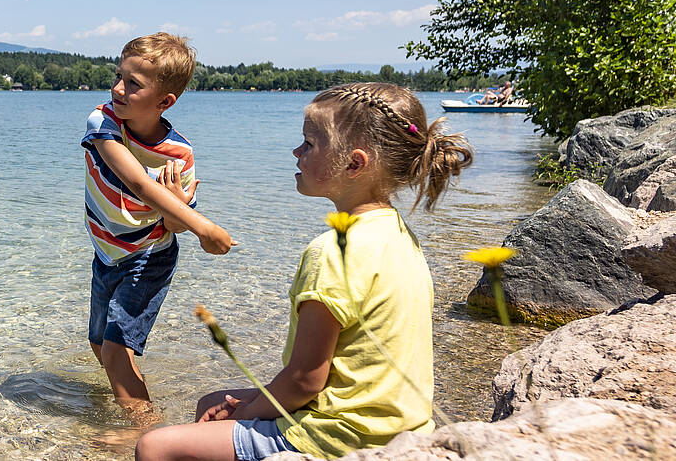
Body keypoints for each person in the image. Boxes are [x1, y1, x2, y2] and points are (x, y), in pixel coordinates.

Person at [134, 82, 474, 461]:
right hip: (399, 425)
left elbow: (305, 380)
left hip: (341, 437)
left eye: (309, 144)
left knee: (155, 446)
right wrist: (245, 406)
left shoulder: (331, 252)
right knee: (211, 402)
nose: (296, 152)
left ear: (355, 164)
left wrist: (247, 412)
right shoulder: (398, 234)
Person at [83, 32, 237, 423]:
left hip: (149, 256)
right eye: (119, 75)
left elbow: (171, 225)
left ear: (165, 101)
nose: (118, 88)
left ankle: (143, 429)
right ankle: (136, 399)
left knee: (117, 351)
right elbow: (137, 182)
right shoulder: (104, 121)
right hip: (108, 252)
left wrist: (182, 212)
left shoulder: (180, 154)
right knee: (100, 344)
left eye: (133, 83)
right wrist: (203, 226)